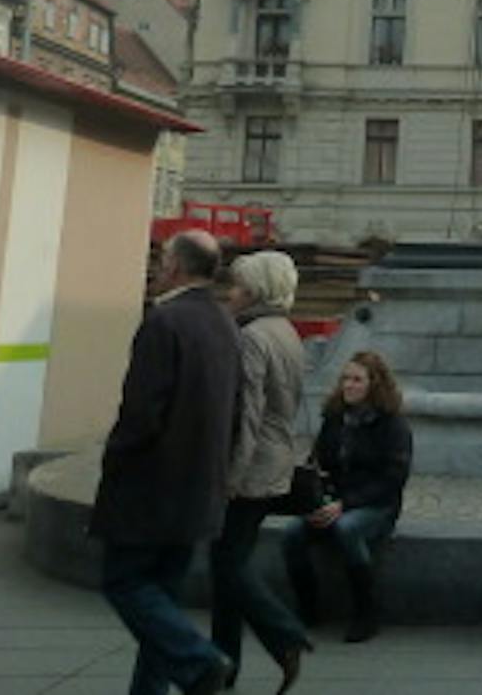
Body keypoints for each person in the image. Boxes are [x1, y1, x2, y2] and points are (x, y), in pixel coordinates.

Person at [92, 230, 241, 695]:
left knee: (125, 583)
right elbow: (236, 410)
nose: (156, 268)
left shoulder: (164, 322)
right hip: (199, 490)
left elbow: (140, 414)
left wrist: (113, 466)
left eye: (161, 259)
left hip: (150, 490)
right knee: (162, 600)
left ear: (175, 266)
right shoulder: (224, 323)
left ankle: (199, 661)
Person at [208, 251, 314, 693]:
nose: (230, 293)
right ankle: (224, 662)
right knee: (227, 562)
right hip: (276, 459)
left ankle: (283, 635)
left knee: (227, 563)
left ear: (254, 291)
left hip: (251, 466)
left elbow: (247, 414)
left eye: (236, 285)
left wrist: (232, 476)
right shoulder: (285, 331)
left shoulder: (252, 336)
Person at [283, 351, 413, 644]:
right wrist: (317, 501)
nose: (348, 385)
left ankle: (366, 613)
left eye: (357, 380)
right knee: (292, 534)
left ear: (373, 384)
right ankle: (307, 609)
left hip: (375, 506)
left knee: (347, 529)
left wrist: (346, 505)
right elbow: (319, 463)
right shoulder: (334, 418)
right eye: (345, 379)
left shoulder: (393, 425)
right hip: (334, 502)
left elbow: (393, 479)